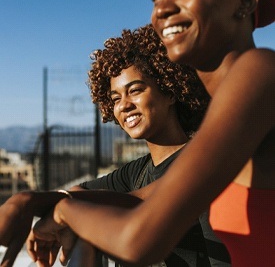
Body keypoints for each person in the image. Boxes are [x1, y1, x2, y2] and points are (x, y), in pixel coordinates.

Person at [0, 0, 274, 266]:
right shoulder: (218, 132)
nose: (162, 9)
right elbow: (141, 198)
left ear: (246, 0)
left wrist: (64, 213)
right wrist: (27, 200)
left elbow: (138, 241)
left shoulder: (259, 72)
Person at [28, 24, 229, 267]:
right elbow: (81, 192)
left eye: (135, 90)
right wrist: (26, 202)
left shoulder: (204, 161)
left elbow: (142, 204)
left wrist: (63, 212)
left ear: (170, 91)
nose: (123, 105)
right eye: (115, 98)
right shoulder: (138, 171)